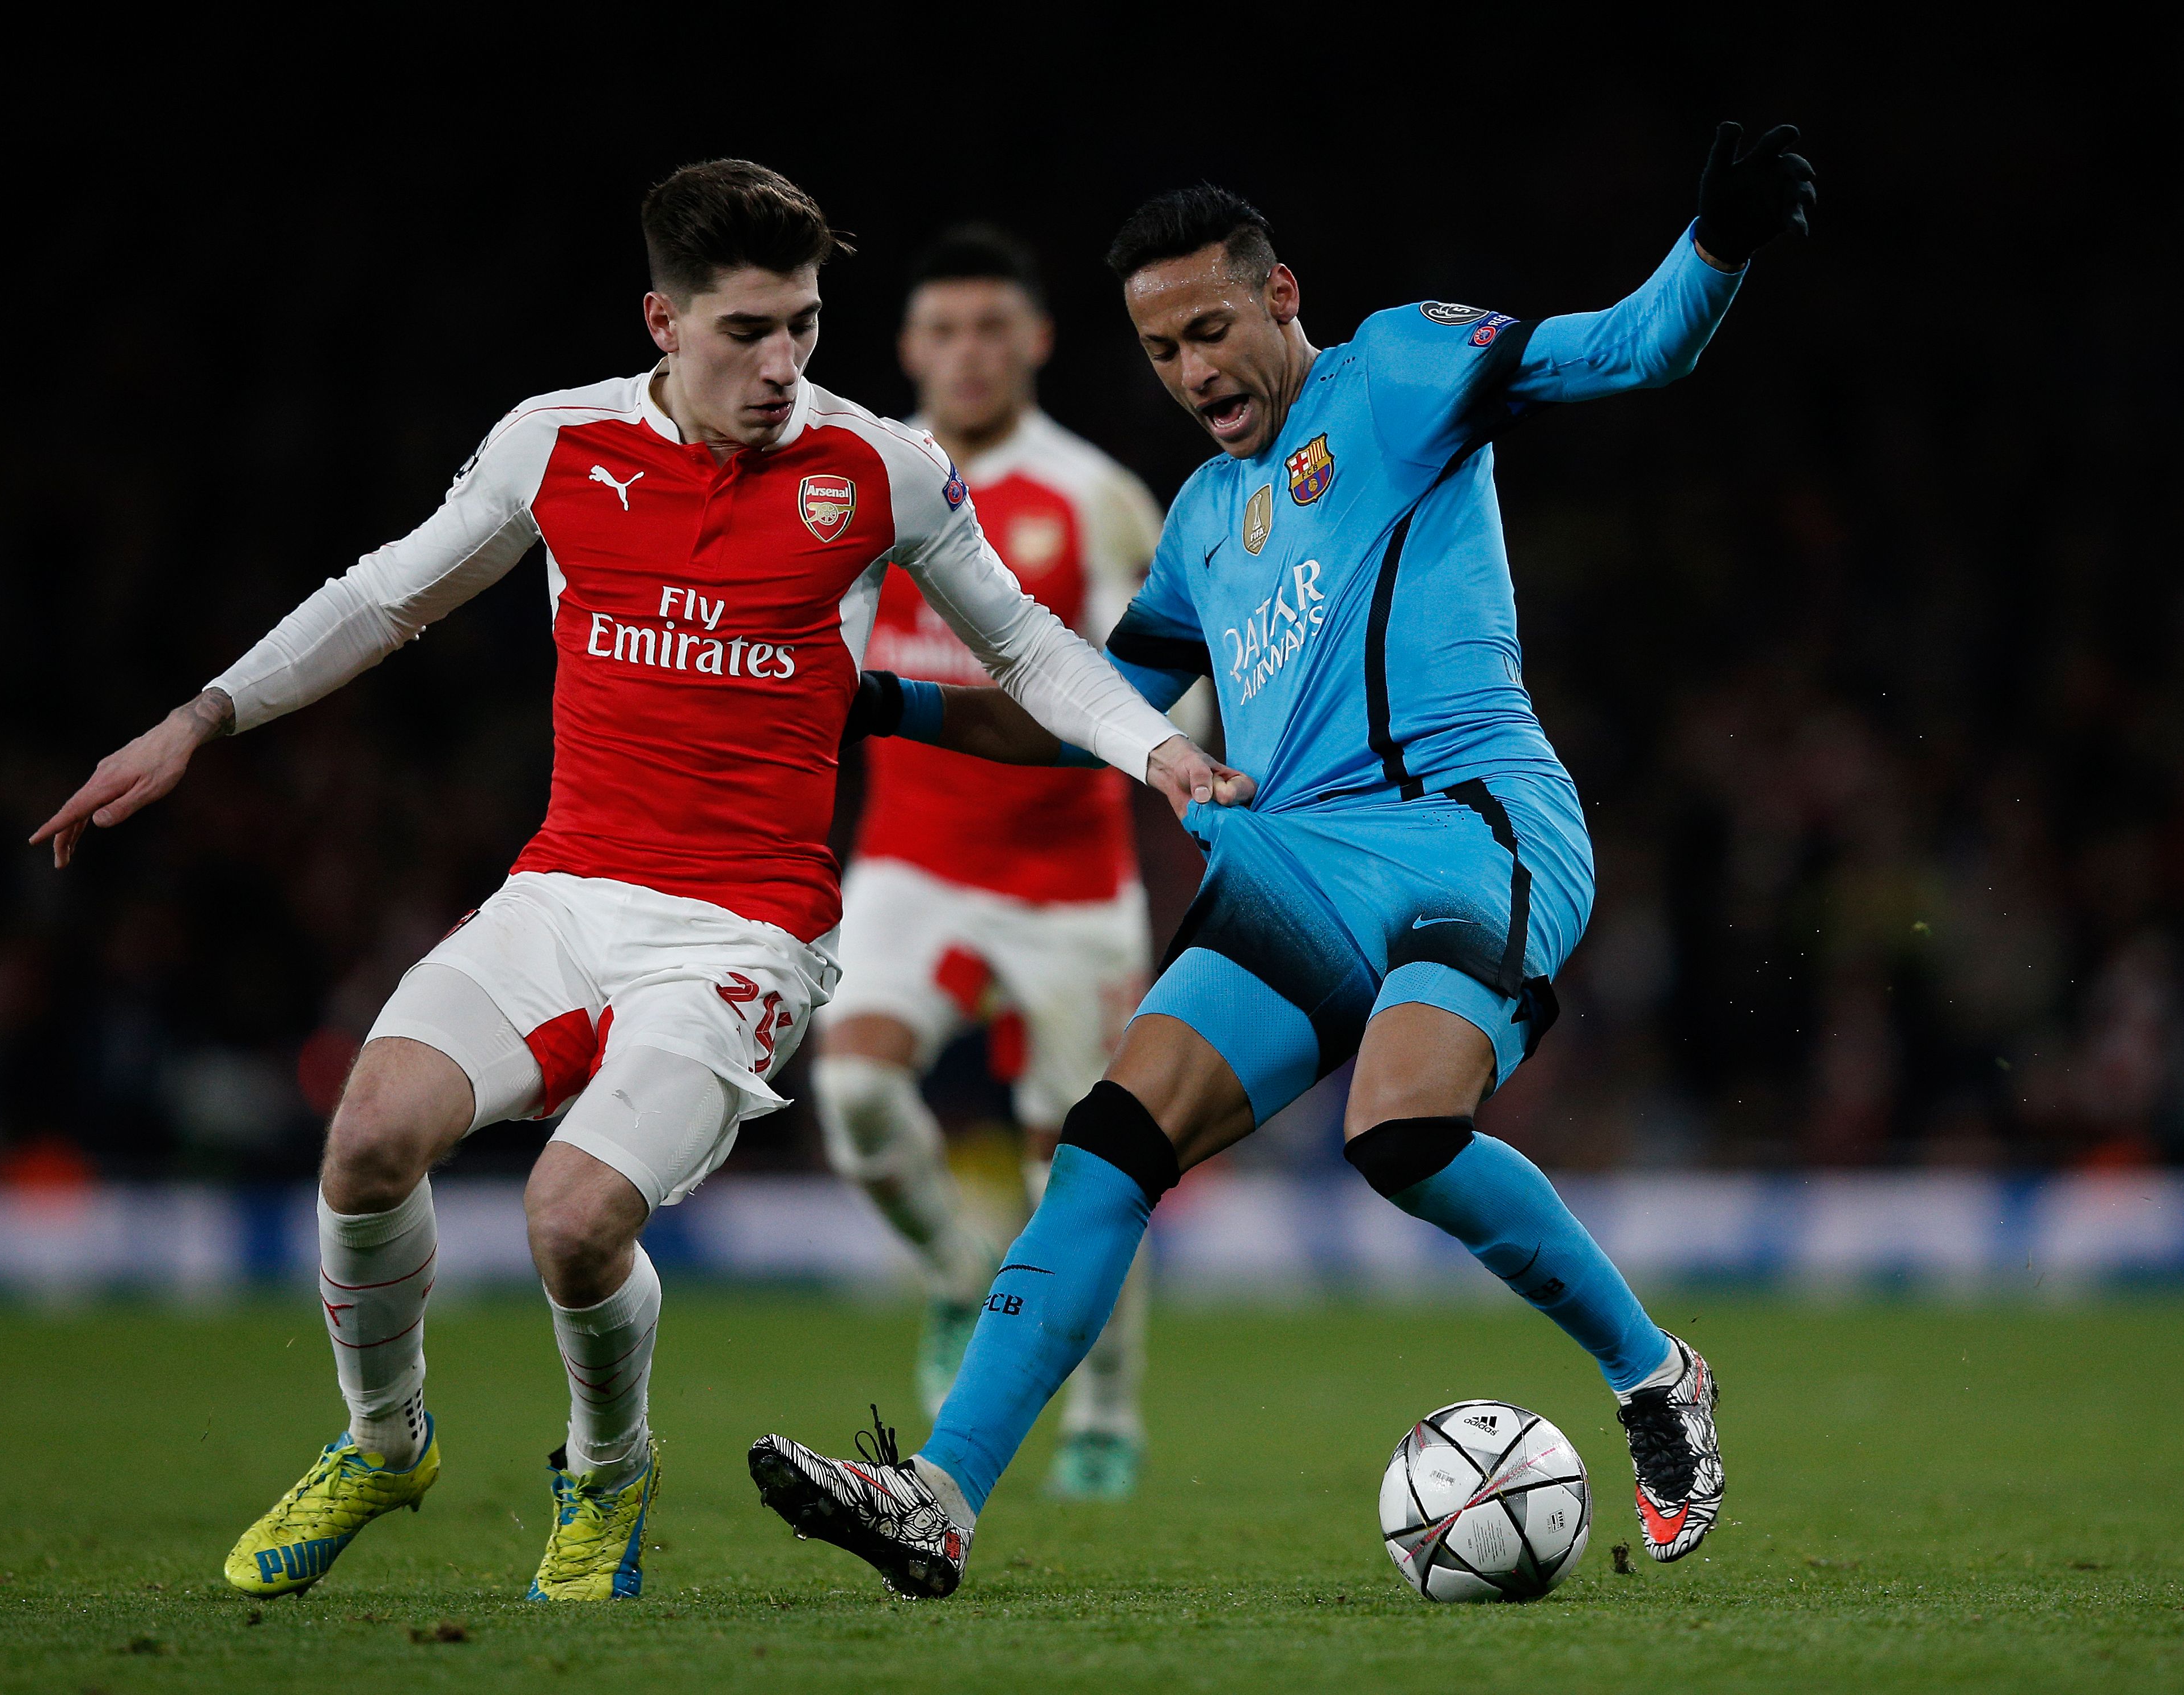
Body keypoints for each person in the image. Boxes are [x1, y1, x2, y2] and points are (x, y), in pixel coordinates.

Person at [30, 159, 1233, 1604]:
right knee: (363, 1142)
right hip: (563, 894)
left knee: (571, 1216)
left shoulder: (879, 469)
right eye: (745, 331)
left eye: (802, 324)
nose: (782, 363)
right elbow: (383, 595)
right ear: (661, 320)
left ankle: (605, 1473)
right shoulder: (558, 447)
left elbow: (1030, 649)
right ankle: (383, 1437)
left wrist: (1154, 751)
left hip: (744, 933)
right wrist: (199, 718)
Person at [748, 123, 1818, 1598]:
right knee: (1109, 1144)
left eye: (1210, 329)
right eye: (1159, 347)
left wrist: (1718, 244)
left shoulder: (1396, 369)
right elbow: (1089, 716)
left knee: (1397, 1129)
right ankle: (936, 1493)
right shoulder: (1198, 521)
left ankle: (1653, 1373)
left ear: (1280, 296)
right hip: (1294, 865)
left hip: (1467, 825)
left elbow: (1632, 350)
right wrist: (882, 697)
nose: (1192, 372)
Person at [815, 225, 1187, 1499]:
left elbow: (1172, 695)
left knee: (1079, 1166)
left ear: (1031, 341)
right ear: (909, 347)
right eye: (942, 330)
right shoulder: (856, 477)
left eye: (992, 328)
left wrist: (1166, 747)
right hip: (909, 860)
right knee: (856, 1090)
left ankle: (1106, 1415)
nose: (967, 353)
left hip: (1071, 884)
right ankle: (951, 1267)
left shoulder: (1096, 497)